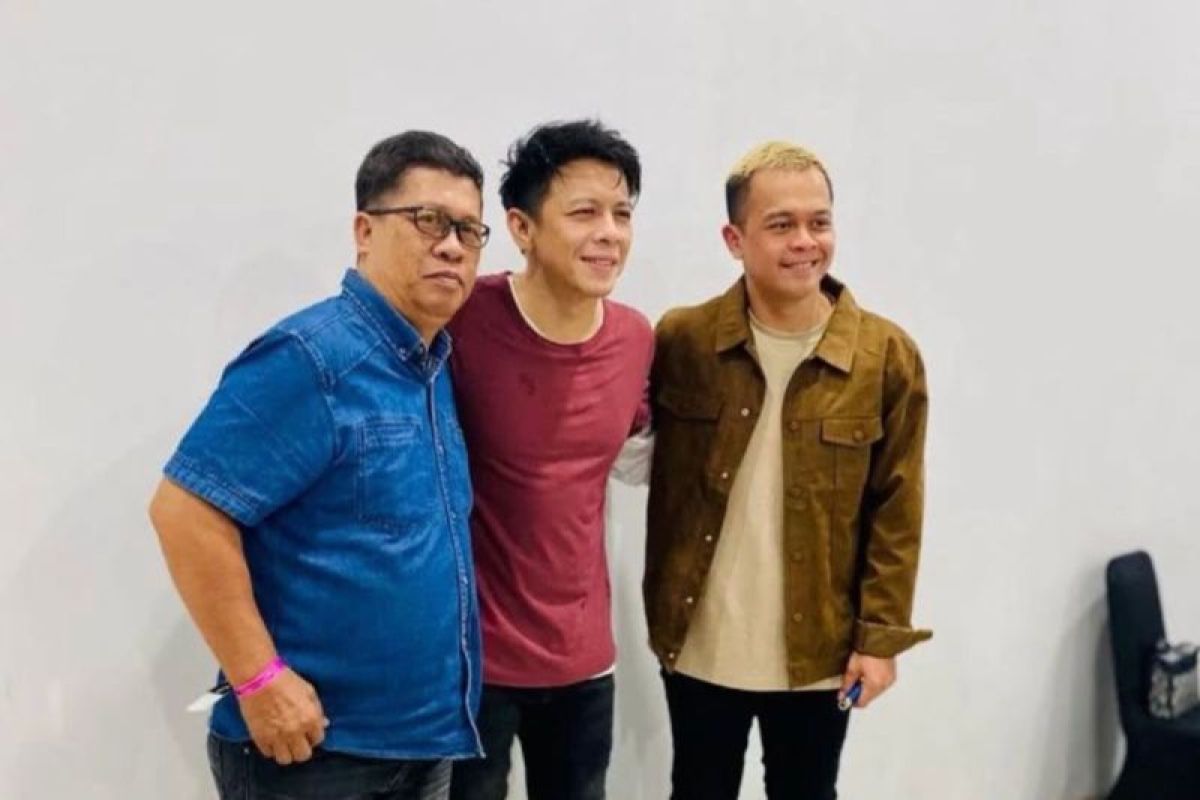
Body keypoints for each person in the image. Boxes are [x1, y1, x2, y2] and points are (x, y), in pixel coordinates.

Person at [148, 130, 490, 800]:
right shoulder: (311, 357)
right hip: (317, 753)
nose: (452, 245)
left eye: (469, 230)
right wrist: (257, 678)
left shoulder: (432, 367)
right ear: (364, 231)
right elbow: (184, 511)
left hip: (423, 744)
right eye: (428, 220)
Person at [644, 140, 931, 799]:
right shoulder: (683, 341)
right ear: (734, 239)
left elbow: (898, 509)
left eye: (819, 222)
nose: (805, 241)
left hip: (818, 653)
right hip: (698, 642)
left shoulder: (885, 356)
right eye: (781, 224)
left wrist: (880, 639)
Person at [447, 120, 652, 800]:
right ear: (521, 227)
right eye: (584, 212)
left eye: (622, 213)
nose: (609, 233)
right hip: (472, 661)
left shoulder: (634, 338)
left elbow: (633, 457)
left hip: (584, 662)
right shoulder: (463, 317)